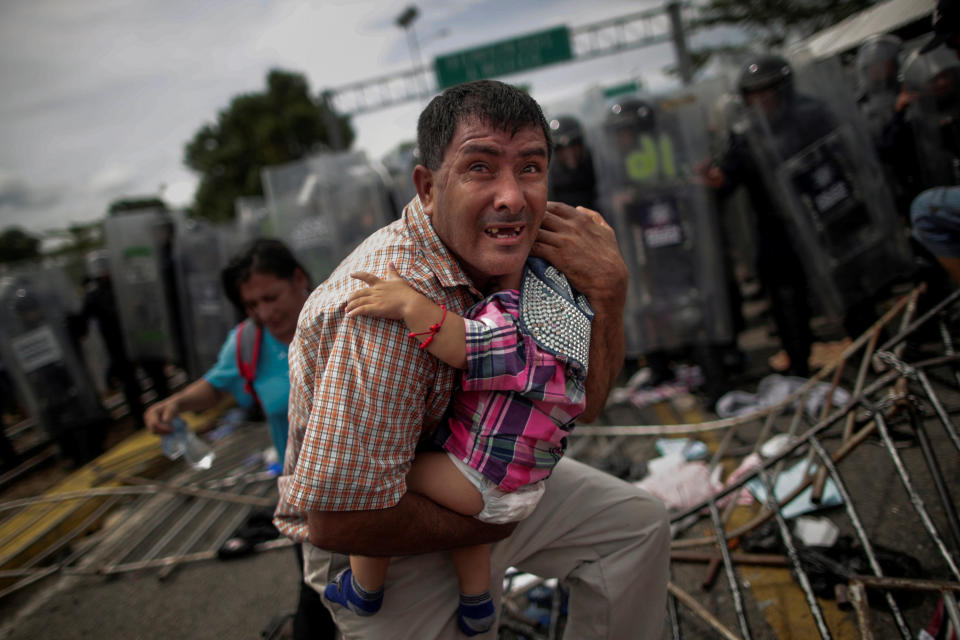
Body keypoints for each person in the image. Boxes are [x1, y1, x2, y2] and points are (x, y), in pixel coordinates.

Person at [274, 79, 670, 639]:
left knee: (636, 527)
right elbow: (341, 520)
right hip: (380, 531)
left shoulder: (533, 255)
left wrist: (609, 291)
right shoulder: (384, 306)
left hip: (484, 471)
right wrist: (486, 525)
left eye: (530, 168)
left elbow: (589, 403)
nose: (512, 197)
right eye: (480, 167)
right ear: (429, 188)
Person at [323, 255, 592, 636]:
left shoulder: (514, 320)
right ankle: (477, 601)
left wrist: (408, 303)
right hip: (523, 487)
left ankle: (364, 587)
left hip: (477, 479)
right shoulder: (568, 333)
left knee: (376, 486)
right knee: (471, 525)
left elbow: (464, 344)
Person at [143, 238, 337, 640]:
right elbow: (216, 386)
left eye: (271, 297)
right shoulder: (249, 343)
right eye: (251, 305)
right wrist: (175, 404)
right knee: (320, 594)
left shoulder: (342, 318)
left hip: (373, 488)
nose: (264, 313)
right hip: (307, 500)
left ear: (299, 278)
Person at [701, 54, 841, 377]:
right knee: (783, 294)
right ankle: (798, 362)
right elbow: (727, 178)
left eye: (769, 90)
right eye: (755, 93)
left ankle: (873, 346)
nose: (762, 99)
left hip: (824, 214)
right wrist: (713, 180)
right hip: (776, 225)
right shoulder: (746, 135)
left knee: (845, 282)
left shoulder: (812, 116)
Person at [547, 115, 598, 211]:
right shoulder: (550, 177)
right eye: (560, 148)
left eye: (574, 144)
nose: (569, 153)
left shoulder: (594, 167)